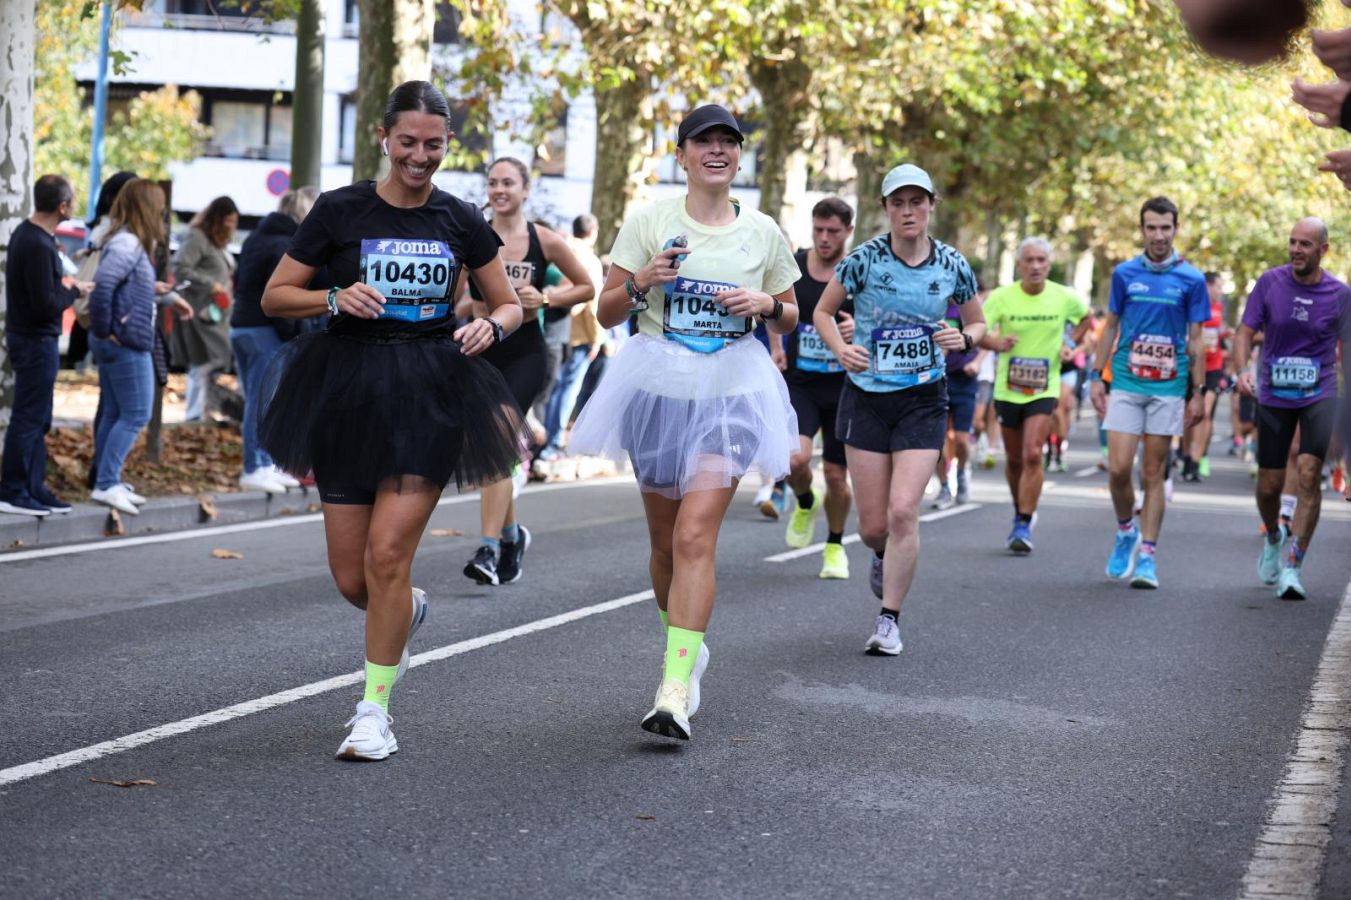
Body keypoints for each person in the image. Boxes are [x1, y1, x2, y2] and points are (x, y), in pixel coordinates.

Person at [258, 80, 525, 761]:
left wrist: (491, 328)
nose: (419, 156)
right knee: (355, 578)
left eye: (433, 145)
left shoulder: (460, 218)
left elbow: (508, 304)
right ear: (383, 139)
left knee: (386, 557)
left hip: (431, 391)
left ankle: (372, 711)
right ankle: (405, 610)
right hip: (344, 391)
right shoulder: (340, 211)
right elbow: (274, 296)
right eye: (408, 142)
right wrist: (334, 295)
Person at [568, 104, 800, 740]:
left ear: (738, 156)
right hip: (655, 387)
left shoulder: (763, 233)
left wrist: (767, 305)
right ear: (683, 155)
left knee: (697, 535)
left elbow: (791, 313)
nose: (717, 150)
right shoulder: (649, 220)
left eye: (729, 141)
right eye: (705, 142)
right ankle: (687, 644)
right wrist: (642, 281)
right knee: (665, 542)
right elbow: (608, 312)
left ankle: (672, 690)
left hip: (732, 387)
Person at [815, 163, 984, 655]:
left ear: (931, 205)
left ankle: (889, 619)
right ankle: (882, 553)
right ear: (886, 208)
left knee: (904, 510)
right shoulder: (864, 260)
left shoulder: (953, 264)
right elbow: (824, 312)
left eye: (916, 202)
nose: (907, 211)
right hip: (866, 396)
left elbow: (976, 322)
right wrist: (840, 350)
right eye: (897, 203)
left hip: (924, 398)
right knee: (872, 526)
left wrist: (964, 337)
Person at [460, 159, 594, 587]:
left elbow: (587, 286)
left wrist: (549, 296)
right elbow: (454, 294)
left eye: (508, 182)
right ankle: (512, 536)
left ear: (526, 189)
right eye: (494, 182)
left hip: (524, 353)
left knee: (499, 436)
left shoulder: (545, 240)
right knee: (492, 453)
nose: (499, 189)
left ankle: (487, 548)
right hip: (481, 349)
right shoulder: (473, 235)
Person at [1090, 196, 1209, 590]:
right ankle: (1127, 530)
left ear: (1176, 229)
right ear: (1142, 230)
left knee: (1153, 472)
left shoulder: (1191, 279)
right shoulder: (1124, 274)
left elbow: (1196, 339)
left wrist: (1199, 391)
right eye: (1151, 227)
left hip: (1169, 386)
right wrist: (1095, 376)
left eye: (1165, 227)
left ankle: (1148, 557)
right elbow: (1110, 327)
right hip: (1126, 380)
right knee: (1120, 469)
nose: (1158, 235)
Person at [1234, 217, 1349, 600]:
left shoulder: (1340, 294)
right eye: (1293, 242)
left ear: (1323, 250)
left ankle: (1293, 566)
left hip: (1320, 393)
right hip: (1274, 395)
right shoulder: (1270, 283)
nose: (1296, 250)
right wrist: (1241, 372)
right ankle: (1273, 534)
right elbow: (1245, 332)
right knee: (1268, 484)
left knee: (1309, 472)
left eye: (1305, 244)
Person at [982, 237, 1091, 552]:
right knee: (1015, 459)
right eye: (1028, 260)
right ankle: (1020, 510)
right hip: (1008, 388)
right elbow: (977, 331)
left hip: (1045, 387)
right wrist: (995, 343)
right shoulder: (1002, 298)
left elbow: (1086, 320)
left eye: (1041, 260)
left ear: (1048, 264)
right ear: (1019, 266)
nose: (1035, 266)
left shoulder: (1063, 297)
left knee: (1032, 453)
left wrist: (1071, 343)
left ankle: (1024, 523)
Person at [87, 179, 178, 515]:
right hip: (126, 343)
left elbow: (121, 285)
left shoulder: (125, 241)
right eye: (159, 207)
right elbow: (104, 285)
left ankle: (108, 479)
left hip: (119, 341)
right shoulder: (128, 244)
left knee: (114, 412)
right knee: (136, 413)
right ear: (148, 209)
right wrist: (106, 329)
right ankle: (107, 483)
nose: (163, 214)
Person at [0, 175, 90, 516]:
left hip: (34, 338)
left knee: (39, 418)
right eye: (72, 200)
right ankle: (13, 490)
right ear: (62, 206)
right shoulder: (37, 244)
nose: (74, 206)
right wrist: (76, 291)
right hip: (36, 340)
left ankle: (34, 487)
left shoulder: (31, 236)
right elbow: (45, 304)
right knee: (29, 417)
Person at [781, 197, 856, 578]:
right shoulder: (794, 267)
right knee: (794, 460)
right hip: (801, 383)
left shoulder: (857, 271)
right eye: (819, 230)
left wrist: (857, 331)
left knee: (836, 475)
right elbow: (772, 310)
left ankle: (834, 546)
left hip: (845, 387)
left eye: (833, 232)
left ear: (848, 232)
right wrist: (777, 349)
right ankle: (805, 501)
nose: (825, 239)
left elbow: (879, 321)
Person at [229, 187, 320, 494]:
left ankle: (264, 464)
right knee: (263, 401)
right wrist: (292, 331)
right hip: (265, 330)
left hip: (242, 325)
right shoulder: (287, 245)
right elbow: (281, 297)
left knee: (260, 399)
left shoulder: (258, 236)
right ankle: (255, 466)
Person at [540, 214, 606, 458]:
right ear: (593, 232)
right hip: (580, 334)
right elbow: (592, 300)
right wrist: (597, 337)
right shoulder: (589, 259)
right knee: (568, 389)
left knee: (553, 387)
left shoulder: (562, 250)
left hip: (556, 329)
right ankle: (554, 441)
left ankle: (545, 440)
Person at [171, 195, 239, 422]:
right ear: (217, 220)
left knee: (213, 360)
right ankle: (194, 412)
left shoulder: (215, 243)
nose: (230, 226)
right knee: (205, 359)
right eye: (227, 221)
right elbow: (180, 267)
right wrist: (210, 285)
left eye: (233, 221)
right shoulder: (198, 238)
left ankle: (203, 408)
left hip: (216, 313)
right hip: (201, 311)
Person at [931, 283, 984, 509]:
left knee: (961, 440)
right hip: (938, 380)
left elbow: (986, 339)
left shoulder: (970, 309)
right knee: (937, 442)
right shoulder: (934, 308)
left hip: (964, 381)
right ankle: (943, 486)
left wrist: (976, 363)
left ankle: (961, 474)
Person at [1182, 272, 1231, 481]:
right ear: (1207, 286)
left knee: (1206, 411)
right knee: (1189, 414)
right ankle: (1185, 456)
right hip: (1191, 366)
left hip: (1213, 367)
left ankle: (1196, 459)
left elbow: (1218, 338)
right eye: (1218, 287)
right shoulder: (1193, 305)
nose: (1220, 292)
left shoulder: (1220, 309)